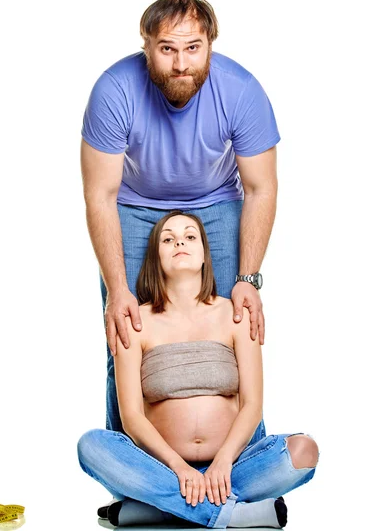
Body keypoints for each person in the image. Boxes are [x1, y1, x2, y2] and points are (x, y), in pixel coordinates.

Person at [80, 0, 280, 434]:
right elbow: (100, 193)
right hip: (134, 205)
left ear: (211, 44)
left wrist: (248, 279)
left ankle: (243, 473)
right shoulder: (115, 90)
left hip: (216, 202)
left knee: (239, 326)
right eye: (167, 48)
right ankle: (133, 485)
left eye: (193, 47)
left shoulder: (241, 90)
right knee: (125, 333)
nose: (181, 63)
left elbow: (261, 187)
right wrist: (117, 290)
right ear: (146, 46)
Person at [77, 212, 319, 528]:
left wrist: (221, 463)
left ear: (205, 253)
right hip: (162, 468)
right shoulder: (135, 323)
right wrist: (180, 468)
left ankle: (160, 507)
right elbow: (132, 419)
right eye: (168, 238)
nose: (180, 241)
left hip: (232, 467)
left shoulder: (236, 314)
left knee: (304, 451)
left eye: (191, 236)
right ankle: (230, 513)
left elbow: (251, 405)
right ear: (155, 257)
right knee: (91, 447)